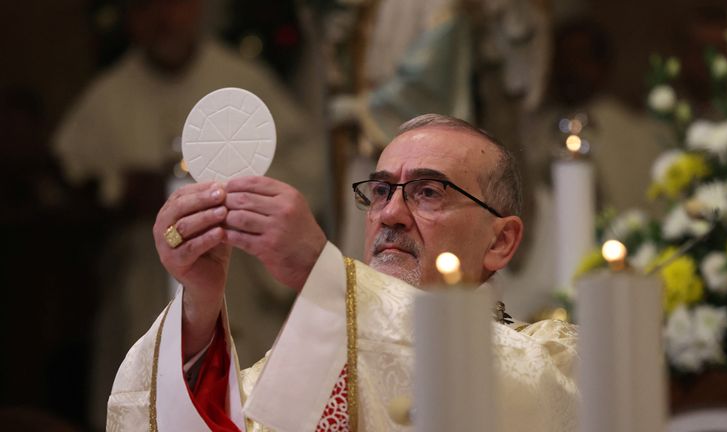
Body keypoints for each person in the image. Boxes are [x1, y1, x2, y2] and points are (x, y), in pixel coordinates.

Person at [107, 114, 579, 431]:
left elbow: (520, 393)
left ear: (501, 241)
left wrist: (318, 268)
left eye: (429, 191)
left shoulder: (557, 358)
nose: (390, 213)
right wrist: (199, 307)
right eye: (379, 191)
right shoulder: (308, 366)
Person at [54, 0, 327, 427]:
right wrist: (118, 193)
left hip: (241, 283)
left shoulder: (243, 82)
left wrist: (244, 194)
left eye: (173, 5)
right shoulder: (109, 96)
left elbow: (308, 173)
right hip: (145, 287)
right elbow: (67, 183)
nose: (163, 18)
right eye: (146, 9)